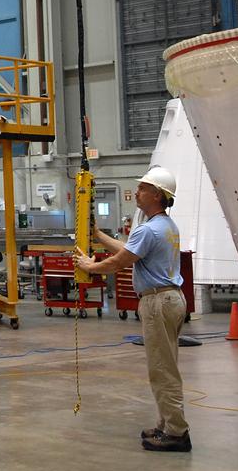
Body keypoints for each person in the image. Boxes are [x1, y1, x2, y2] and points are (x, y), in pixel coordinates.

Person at [73, 166, 189, 453]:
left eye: (143, 187)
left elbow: (119, 262)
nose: (136, 191)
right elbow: (128, 249)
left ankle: (176, 432)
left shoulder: (150, 229)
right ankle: (166, 425)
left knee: (162, 369)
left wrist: (91, 266)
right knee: (166, 366)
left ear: (157, 195)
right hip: (171, 299)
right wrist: (98, 235)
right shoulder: (165, 226)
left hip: (158, 302)